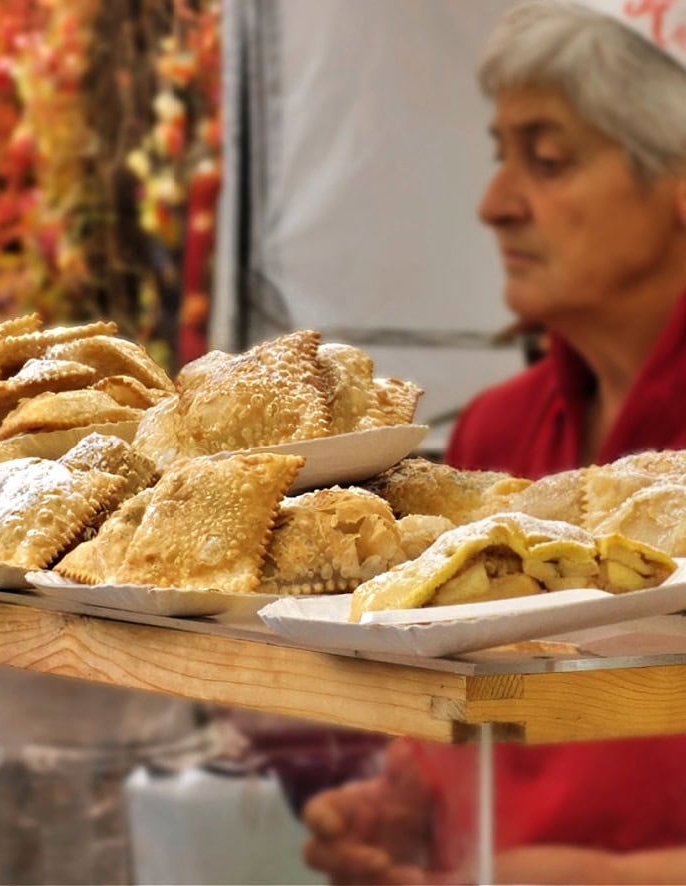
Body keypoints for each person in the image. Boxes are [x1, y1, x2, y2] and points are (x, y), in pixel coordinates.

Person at [302, 1, 686, 882]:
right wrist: (406, 806)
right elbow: (473, 721)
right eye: (500, 154)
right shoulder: (494, 435)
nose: (494, 205)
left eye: (548, 161)